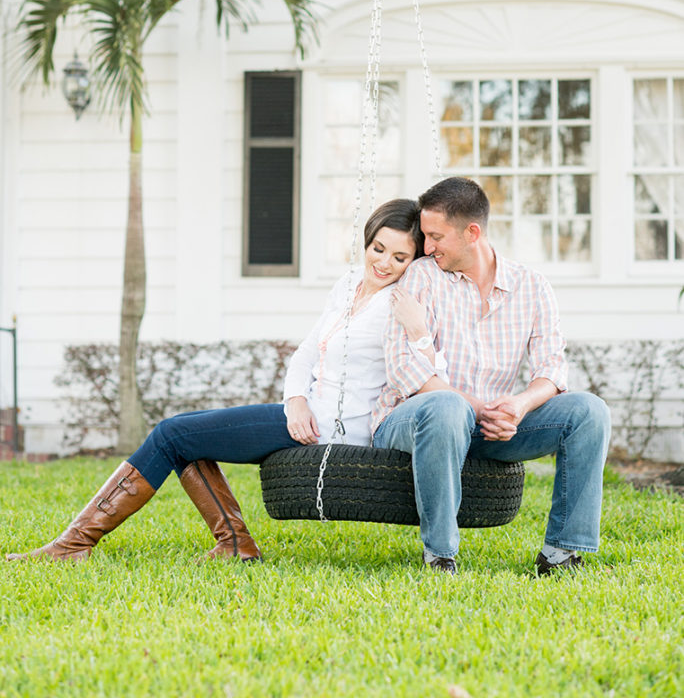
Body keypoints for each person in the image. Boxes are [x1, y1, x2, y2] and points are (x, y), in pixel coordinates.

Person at [7, 198, 427, 564]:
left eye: (399, 257)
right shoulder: (349, 284)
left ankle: (75, 543)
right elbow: (306, 352)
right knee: (183, 435)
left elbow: (426, 367)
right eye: (378, 248)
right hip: (303, 412)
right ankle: (234, 544)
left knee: (173, 433)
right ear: (367, 241)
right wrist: (296, 397)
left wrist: (420, 333)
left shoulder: (402, 303)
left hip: (334, 428)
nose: (384, 263)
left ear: (414, 262)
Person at [371, 176, 611, 575]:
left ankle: (561, 553)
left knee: (589, 411)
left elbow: (551, 368)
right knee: (447, 406)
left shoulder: (531, 286)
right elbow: (405, 369)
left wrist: (518, 406)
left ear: (472, 232)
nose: (426, 247)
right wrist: (479, 408)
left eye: (435, 236)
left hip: (490, 428)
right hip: (413, 419)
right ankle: (440, 556)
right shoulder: (422, 277)